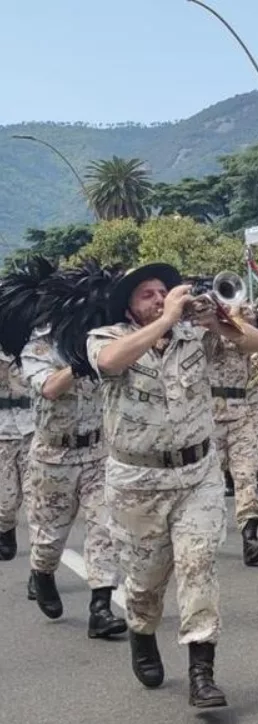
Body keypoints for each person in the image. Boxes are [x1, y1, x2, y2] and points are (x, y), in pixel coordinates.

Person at [84, 262, 258, 708]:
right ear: (128, 304)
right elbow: (110, 364)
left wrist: (224, 324)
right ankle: (142, 631)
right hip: (137, 481)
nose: (157, 298)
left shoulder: (196, 336)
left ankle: (201, 671)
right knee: (146, 582)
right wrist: (166, 318)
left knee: (198, 563)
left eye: (162, 291)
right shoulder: (106, 337)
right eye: (146, 294)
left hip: (197, 475)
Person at [0, 260, 122, 638]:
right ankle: (43, 572)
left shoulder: (100, 340)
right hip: (53, 455)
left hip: (99, 452)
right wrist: (78, 365)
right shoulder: (39, 347)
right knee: (50, 536)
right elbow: (50, 387)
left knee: (105, 528)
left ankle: (101, 606)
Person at [204, 278, 258, 567]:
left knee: (246, 475)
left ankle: (250, 537)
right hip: (206, 411)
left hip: (240, 408)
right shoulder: (196, 325)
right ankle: (201, 534)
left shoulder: (240, 317)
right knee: (206, 481)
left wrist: (231, 318)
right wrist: (207, 320)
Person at [0, 278, 35, 563]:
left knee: (40, 505)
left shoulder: (34, 347)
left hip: (34, 430)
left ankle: (39, 570)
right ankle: (5, 529)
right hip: (2, 432)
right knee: (6, 501)